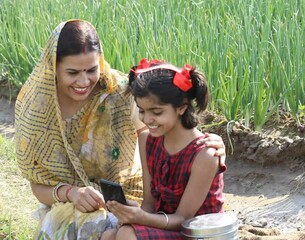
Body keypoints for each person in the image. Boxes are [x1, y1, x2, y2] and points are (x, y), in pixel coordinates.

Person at [14, 19, 226, 240]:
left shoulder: (118, 92)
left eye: (92, 70)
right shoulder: (37, 109)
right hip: (73, 202)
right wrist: (72, 193)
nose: (84, 81)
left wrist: (209, 144)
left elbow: (173, 125)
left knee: (112, 231)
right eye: (73, 72)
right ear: (53, 66)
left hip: (135, 202)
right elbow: (38, 185)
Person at [100, 59, 225, 240]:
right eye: (142, 111)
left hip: (196, 232)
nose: (147, 119)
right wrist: (133, 215)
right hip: (167, 226)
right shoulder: (149, 141)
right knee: (110, 235)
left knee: (127, 234)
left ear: (181, 108)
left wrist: (142, 219)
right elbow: (149, 203)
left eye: (157, 112)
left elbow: (184, 218)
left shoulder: (205, 154)